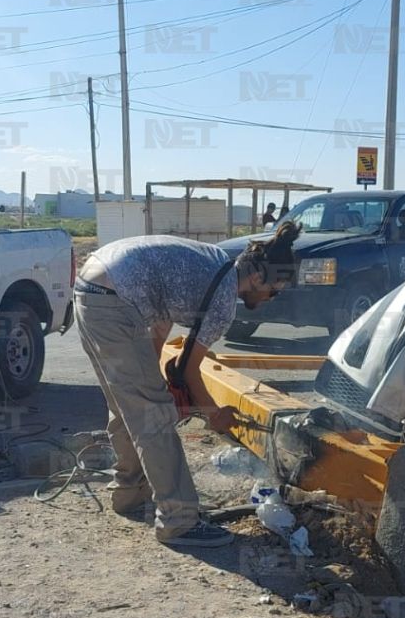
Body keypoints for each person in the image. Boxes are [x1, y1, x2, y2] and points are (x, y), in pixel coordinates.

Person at [74, 222, 300, 548]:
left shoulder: (210, 264)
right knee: (154, 416)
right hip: (114, 301)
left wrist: (155, 382)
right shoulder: (222, 298)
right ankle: (179, 522)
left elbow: (158, 324)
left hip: (90, 290)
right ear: (257, 278)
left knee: (126, 404)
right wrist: (213, 415)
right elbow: (191, 369)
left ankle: (129, 493)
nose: (270, 298)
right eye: (274, 290)